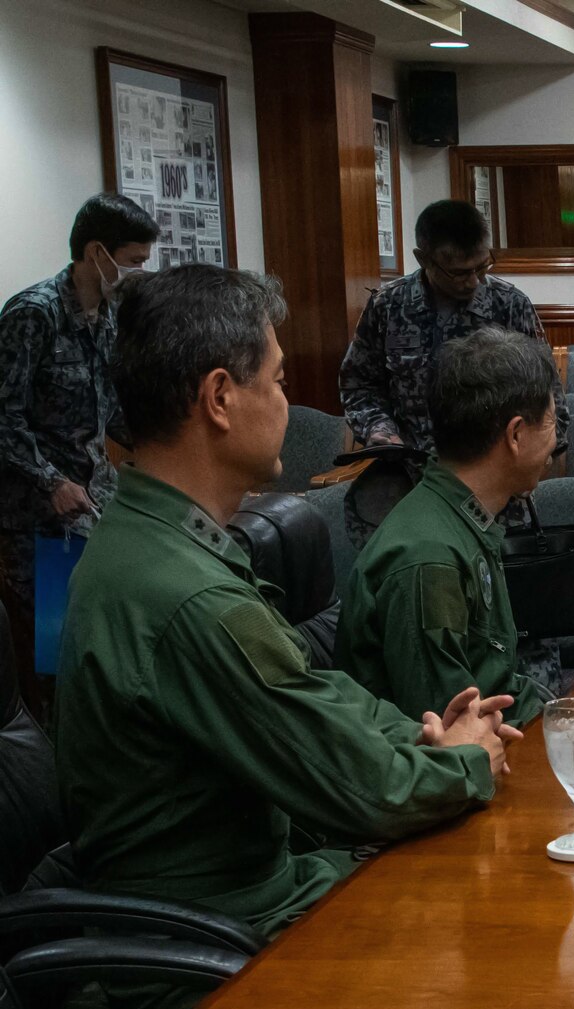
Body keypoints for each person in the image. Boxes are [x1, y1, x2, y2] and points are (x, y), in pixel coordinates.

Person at [57, 264, 518, 946]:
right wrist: (465, 760)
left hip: (254, 893)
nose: (285, 398)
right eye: (274, 380)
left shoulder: (154, 537)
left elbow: (314, 694)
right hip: (220, 939)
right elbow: (358, 788)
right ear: (219, 397)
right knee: (487, 934)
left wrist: (420, 737)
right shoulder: (191, 596)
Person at [337, 328, 558, 726]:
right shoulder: (430, 557)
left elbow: (495, 680)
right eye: (551, 421)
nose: (555, 443)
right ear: (516, 434)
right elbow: (447, 730)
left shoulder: (457, 519)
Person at [0, 194, 157, 641]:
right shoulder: (34, 314)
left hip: (96, 501)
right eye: (133, 260)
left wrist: (162, 448)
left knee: (105, 634)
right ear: (96, 252)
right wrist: (50, 480)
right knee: (59, 646)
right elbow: (4, 416)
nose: (139, 271)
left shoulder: (106, 317)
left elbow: (110, 411)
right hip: (39, 515)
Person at [339, 199, 568, 457]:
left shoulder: (509, 304)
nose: (474, 282)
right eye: (459, 273)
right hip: (409, 466)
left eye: (482, 267)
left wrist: (537, 458)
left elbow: (548, 397)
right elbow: (359, 385)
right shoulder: (388, 306)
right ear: (423, 259)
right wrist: (380, 430)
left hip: (494, 470)